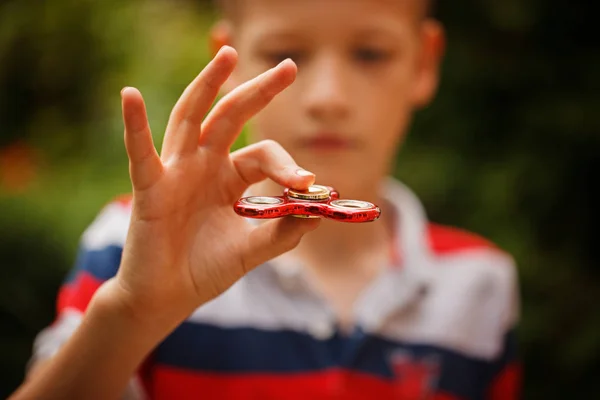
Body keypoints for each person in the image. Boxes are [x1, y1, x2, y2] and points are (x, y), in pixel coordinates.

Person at [11, 1, 521, 399]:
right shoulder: (131, 244)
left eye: (370, 53)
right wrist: (133, 313)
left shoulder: (481, 286)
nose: (328, 97)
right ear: (227, 58)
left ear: (424, 62)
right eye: (285, 54)